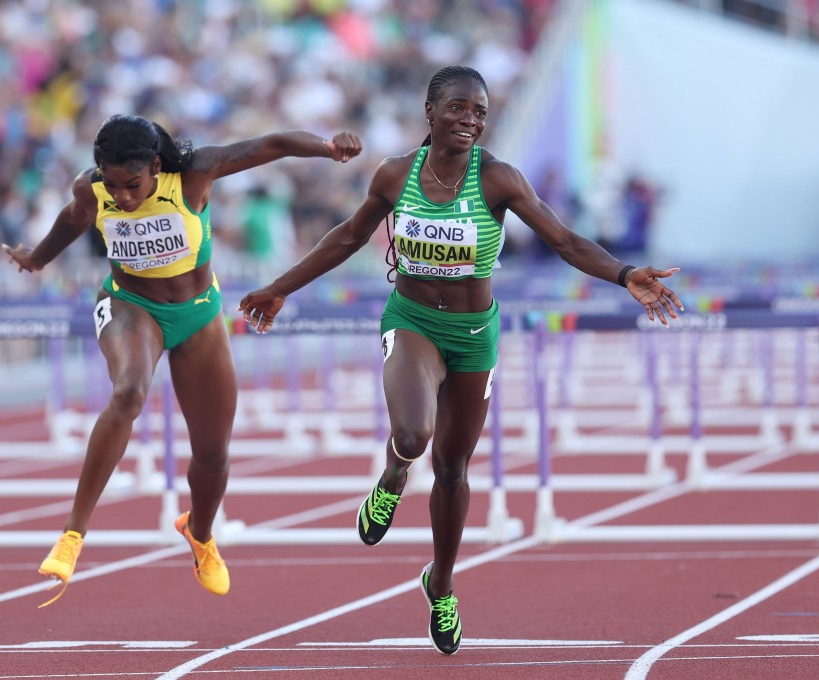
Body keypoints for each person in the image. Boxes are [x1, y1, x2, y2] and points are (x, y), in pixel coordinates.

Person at [237, 65, 683, 655]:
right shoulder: (396, 174)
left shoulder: (498, 179)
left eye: (479, 110)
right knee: (414, 433)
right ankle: (393, 476)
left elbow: (565, 240)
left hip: (474, 334)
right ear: (430, 111)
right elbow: (346, 237)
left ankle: (440, 583)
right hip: (413, 321)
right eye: (457, 108)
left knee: (453, 469)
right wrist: (281, 287)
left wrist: (625, 275)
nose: (469, 120)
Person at [3, 114, 362, 607]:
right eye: (113, 185)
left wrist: (327, 146)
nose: (123, 197)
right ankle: (72, 535)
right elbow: (74, 218)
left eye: (132, 185)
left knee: (213, 452)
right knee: (128, 393)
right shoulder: (92, 189)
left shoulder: (194, 174)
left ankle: (200, 532)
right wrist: (38, 258)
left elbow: (273, 142)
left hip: (197, 314)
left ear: (155, 165)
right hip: (131, 306)